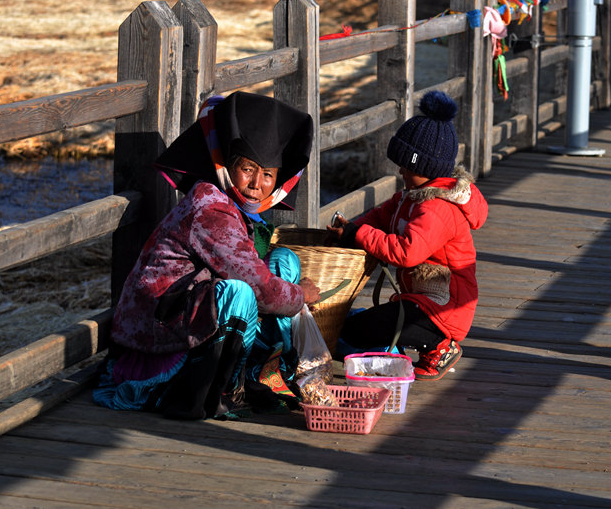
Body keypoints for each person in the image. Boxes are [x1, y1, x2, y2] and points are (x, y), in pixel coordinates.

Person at [94, 91, 321, 419]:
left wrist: (293, 292)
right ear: (228, 164)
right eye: (247, 168)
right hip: (158, 329)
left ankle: (259, 371)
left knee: (284, 260)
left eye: (268, 174)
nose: (257, 184)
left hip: (187, 314)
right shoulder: (211, 207)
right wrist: (301, 296)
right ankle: (206, 392)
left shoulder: (232, 204)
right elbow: (262, 290)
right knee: (240, 293)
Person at [326, 91, 488, 381]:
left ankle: (441, 346)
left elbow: (407, 252)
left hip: (443, 309)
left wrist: (358, 234)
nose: (400, 170)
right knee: (354, 329)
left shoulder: (437, 209)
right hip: (421, 300)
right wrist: (351, 229)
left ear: (426, 168)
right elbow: (380, 217)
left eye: (406, 166)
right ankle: (413, 341)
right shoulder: (411, 197)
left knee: (354, 333)